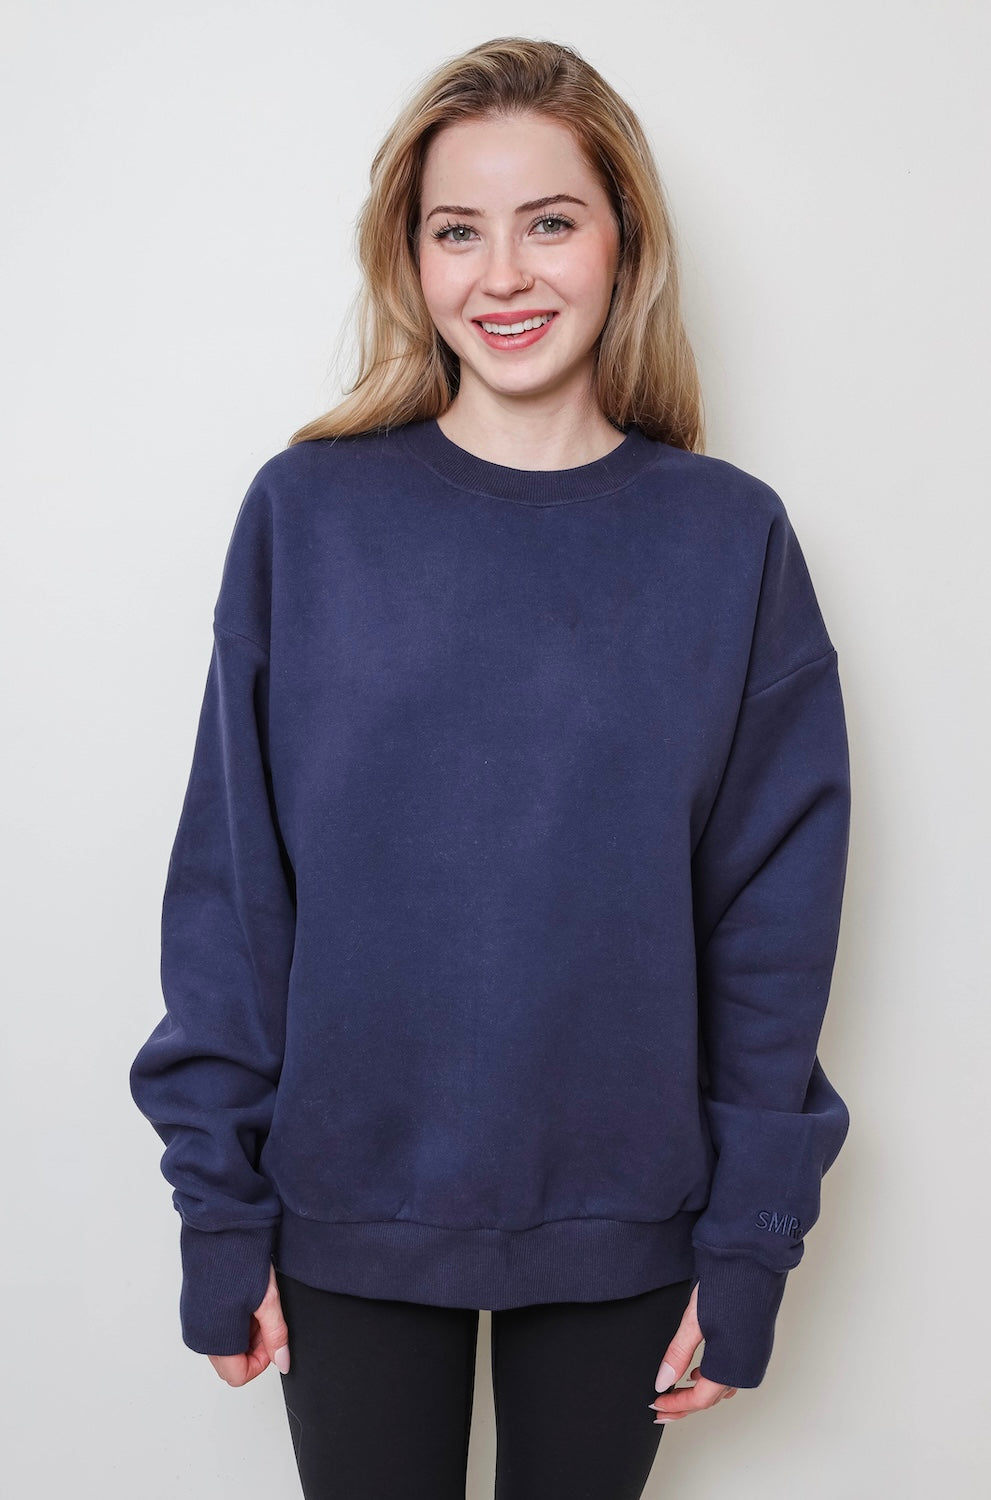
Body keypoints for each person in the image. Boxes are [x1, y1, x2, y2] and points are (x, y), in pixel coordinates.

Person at [129, 35, 852, 1499]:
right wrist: (220, 1208)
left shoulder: (729, 539)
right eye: (458, 230)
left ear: (625, 240)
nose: (503, 275)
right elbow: (234, 894)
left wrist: (751, 1241)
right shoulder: (309, 516)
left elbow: (771, 928)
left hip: (627, 1219)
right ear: (410, 259)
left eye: (551, 221)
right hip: (344, 1210)